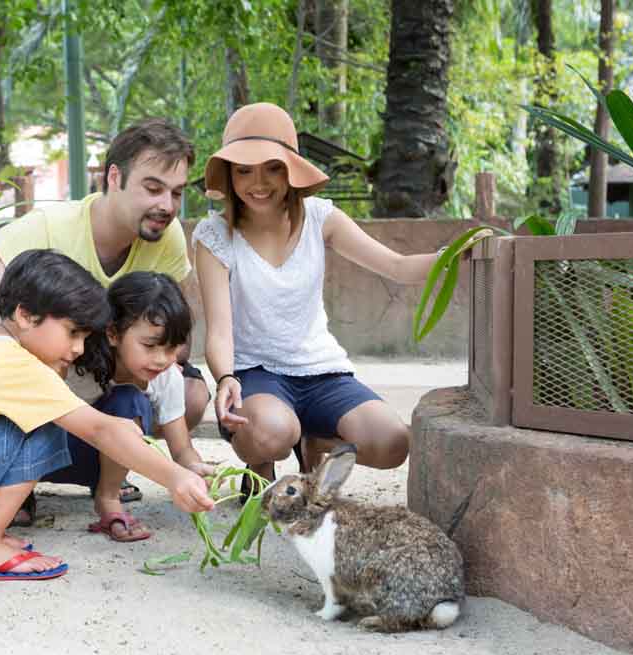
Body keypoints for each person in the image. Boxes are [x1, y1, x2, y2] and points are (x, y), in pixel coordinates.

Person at [0, 119, 212, 518]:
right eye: (153, 188)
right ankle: (9, 474)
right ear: (114, 177)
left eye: (176, 193)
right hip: (43, 384)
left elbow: (176, 336)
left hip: (106, 383)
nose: (166, 205)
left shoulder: (166, 237)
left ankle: (109, 471)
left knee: (189, 393)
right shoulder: (48, 228)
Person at [0, 249, 213, 581]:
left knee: (40, 418)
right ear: (25, 316)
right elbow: (98, 431)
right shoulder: (16, 365)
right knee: (45, 426)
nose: (80, 348)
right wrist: (175, 477)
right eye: (72, 332)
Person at [193, 102, 467, 484]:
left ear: (291, 168)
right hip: (255, 373)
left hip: (321, 371)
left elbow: (397, 267)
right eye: (244, 171)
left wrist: (455, 256)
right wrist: (224, 378)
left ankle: (315, 439)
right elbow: (220, 330)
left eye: (273, 168)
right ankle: (259, 465)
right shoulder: (214, 236)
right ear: (229, 175)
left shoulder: (321, 217)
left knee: (391, 443)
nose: (258, 183)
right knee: (271, 432)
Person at [41, 271, 218, 541]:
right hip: (43, 457)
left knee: (130, 400)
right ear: (113, 333)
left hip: (96, 461)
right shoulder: (76, 365)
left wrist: (194, 470)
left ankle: (108, 498)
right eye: (150, 346)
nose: (161, 359)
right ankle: (18, 497)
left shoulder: (167, 378)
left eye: (171, 349)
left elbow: (181, 448)